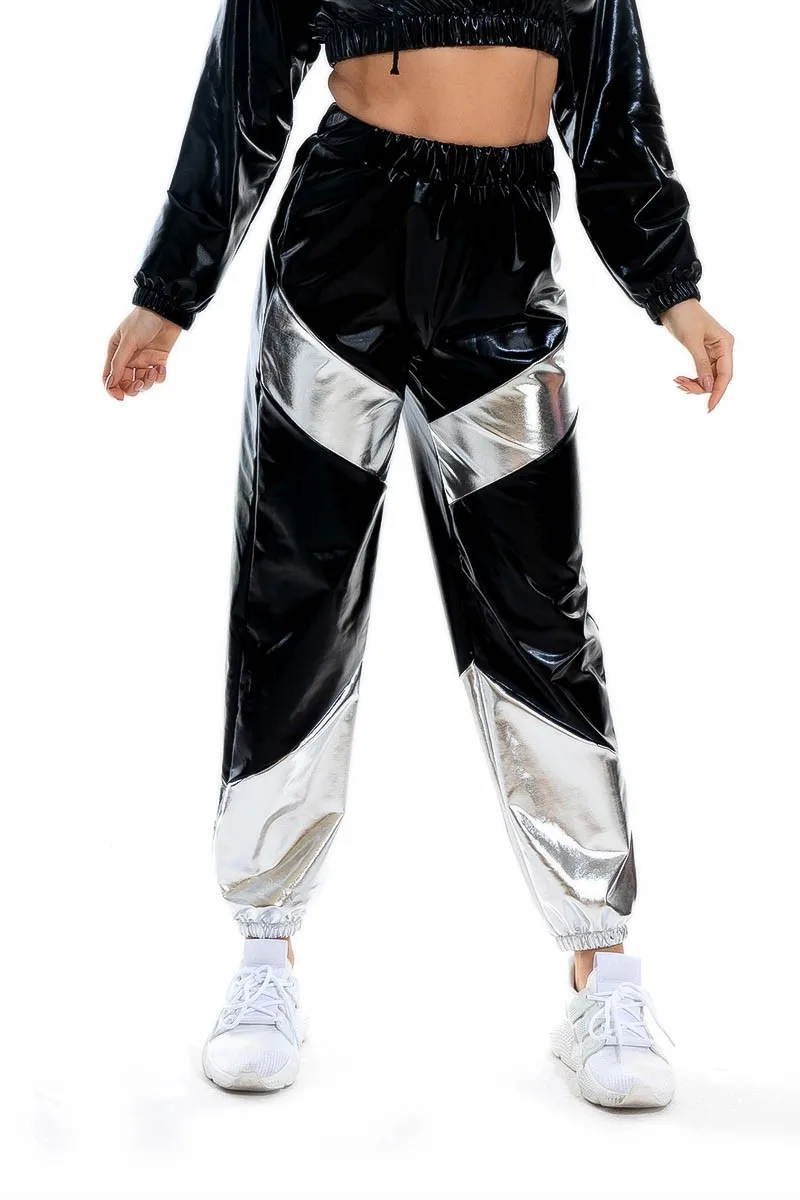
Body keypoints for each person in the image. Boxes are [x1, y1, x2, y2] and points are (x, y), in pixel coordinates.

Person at [103, 0, 733, 1108]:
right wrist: (169, 294)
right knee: (296, 588)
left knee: (539, 605)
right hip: (341, 248)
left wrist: (675, 295)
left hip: (504, 264)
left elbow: (615, 119)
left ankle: (601, 961)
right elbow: (242, 95)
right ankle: (265, 950)